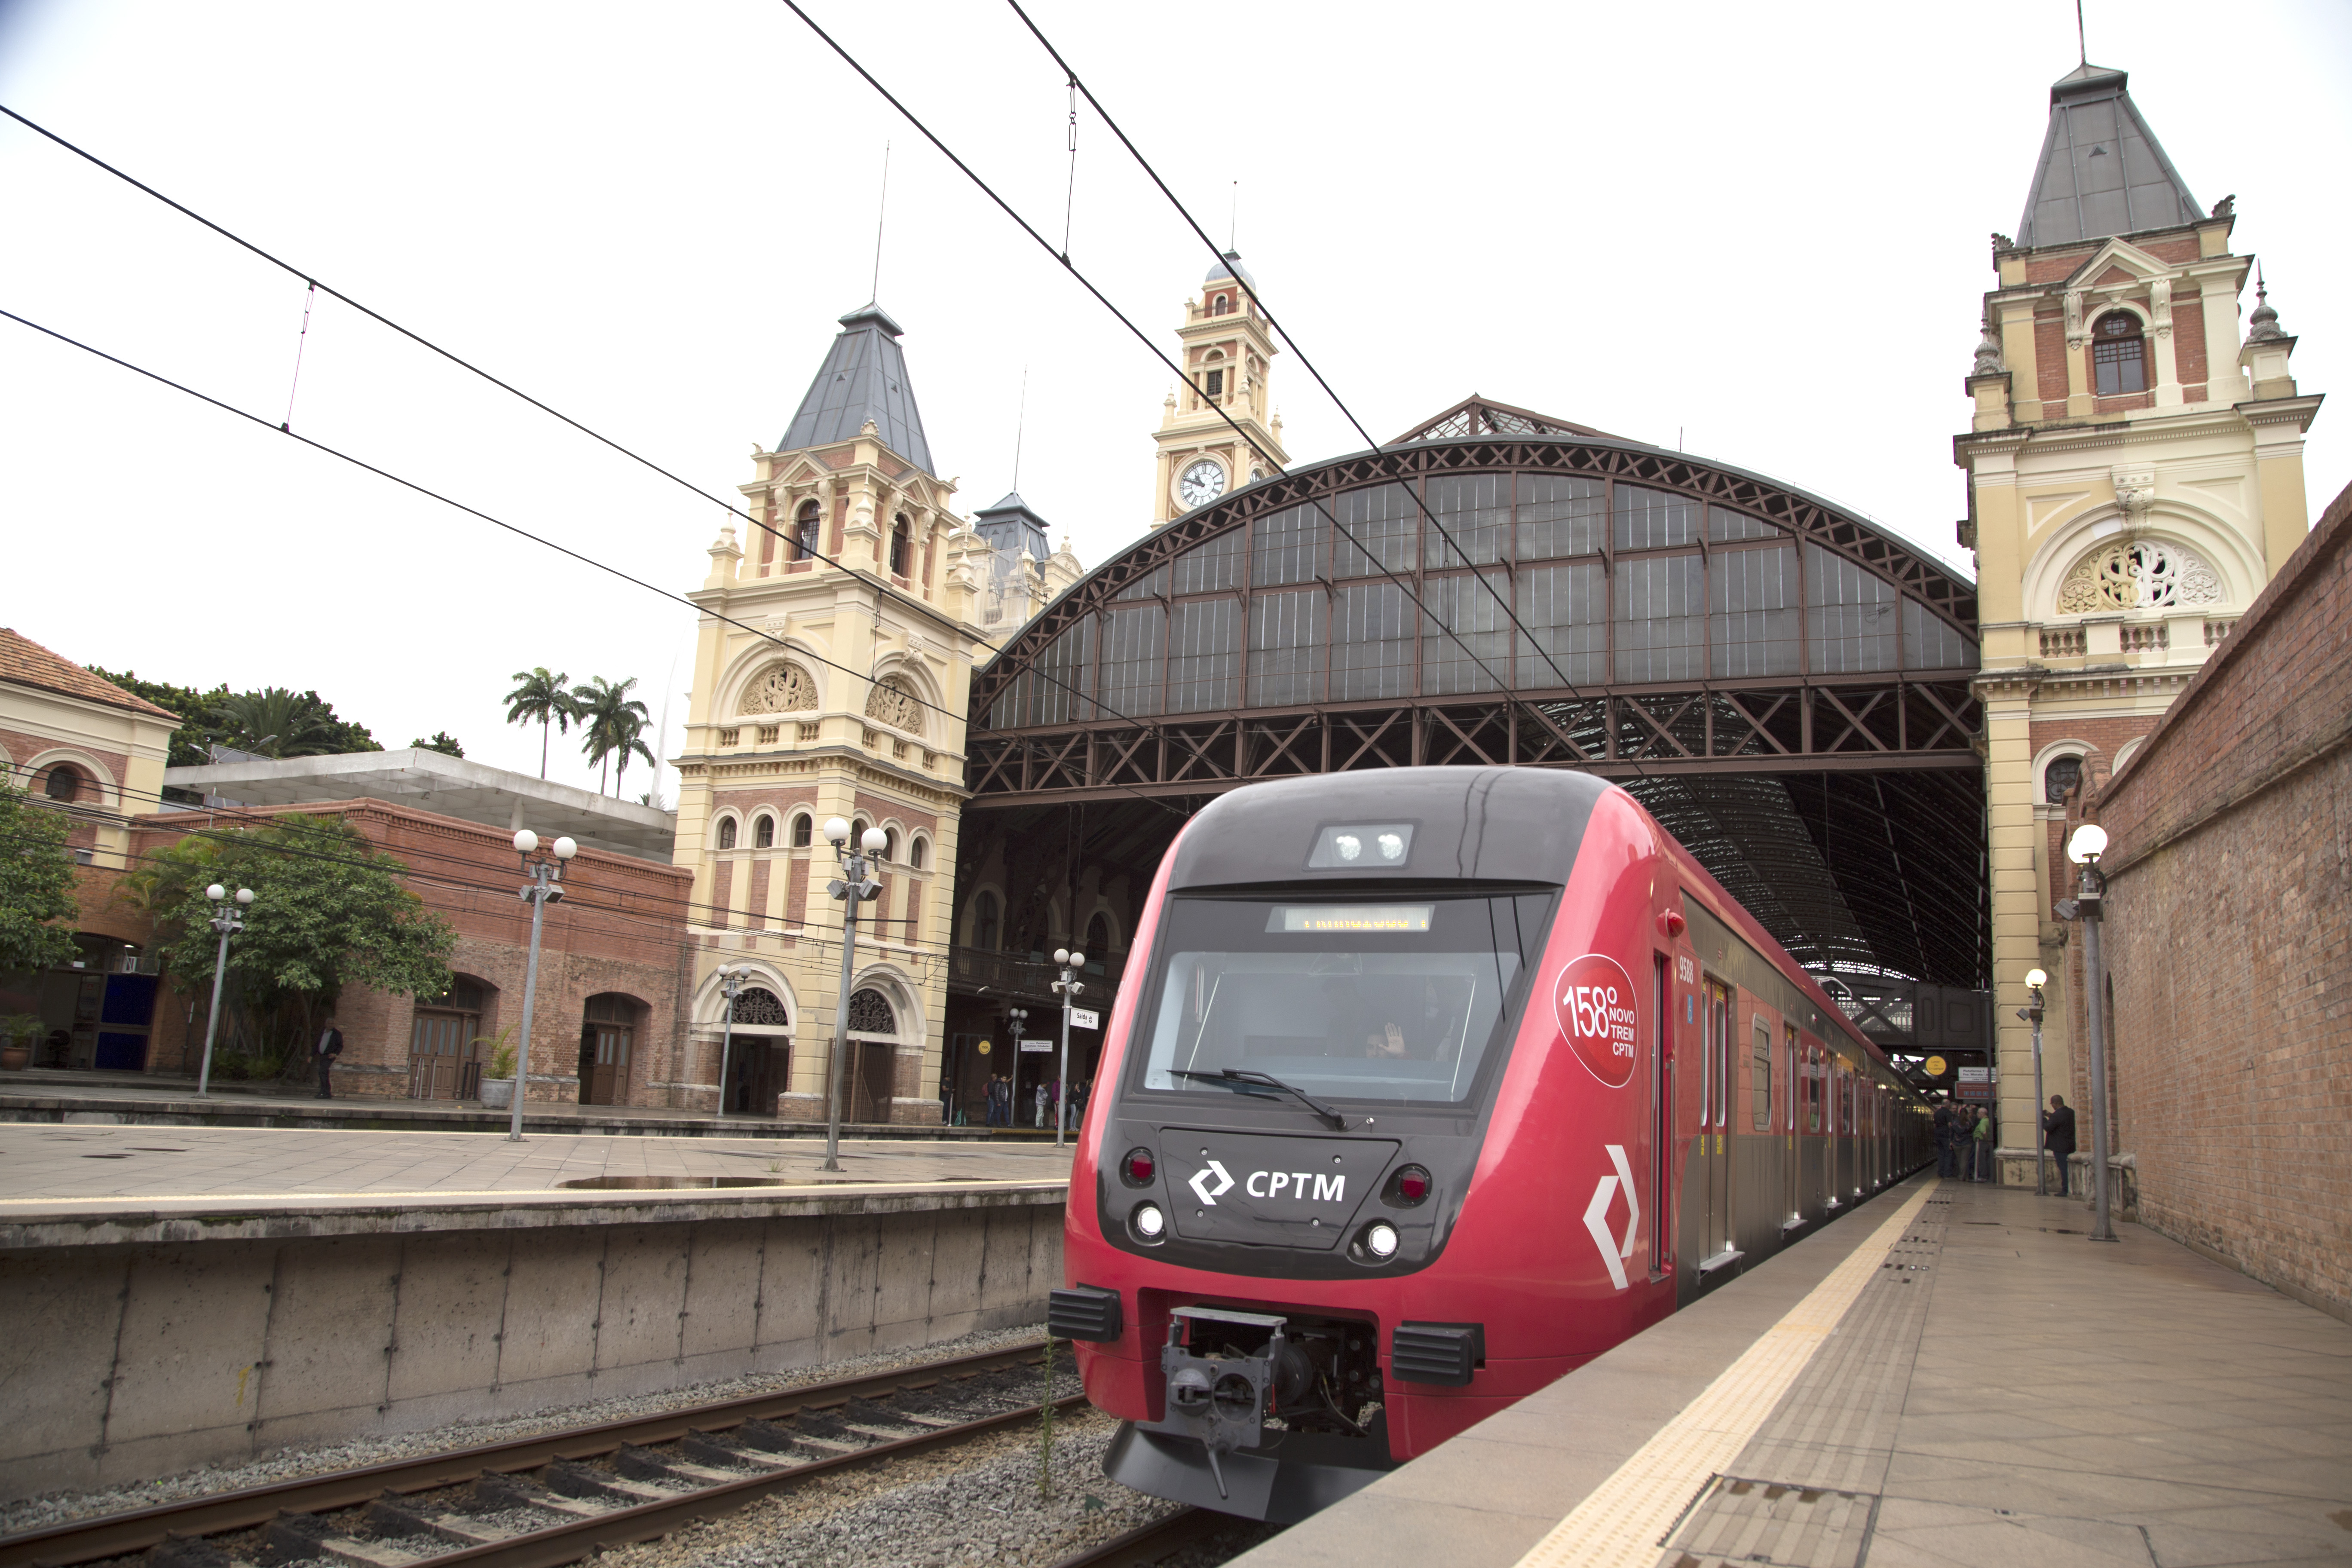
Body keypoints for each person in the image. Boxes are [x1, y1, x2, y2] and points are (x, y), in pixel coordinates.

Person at [2043, 1094, 2077, 1196]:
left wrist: (2044, 1119)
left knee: (2063, 1169)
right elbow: (2061, 1122)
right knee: (2068, 1169)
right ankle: (2070, 1188)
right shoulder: (2070, 1112)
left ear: (2055, 1104)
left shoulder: (2057, 1115)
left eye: (2052, 1104)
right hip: (2071, 1145)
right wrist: (2050, 1115)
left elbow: (2049, 1128)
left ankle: (2065, 1190)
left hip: (2060, 1147)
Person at [313, 1014, 345, 1099]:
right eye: (329, 1023)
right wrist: (311, 1055)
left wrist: (335, 1054)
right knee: (324, 1073)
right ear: (326, 1024)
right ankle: (327, 1092)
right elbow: (317, 1044)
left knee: (322, 1071)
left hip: (330, 1056)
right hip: (322, 1055)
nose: (331, 1025)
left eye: (332, 1024)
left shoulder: (337, 1034)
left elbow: (340, 1046)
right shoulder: (322, 1032)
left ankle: (324, 1092)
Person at [1932, 1099, 1957, 1178]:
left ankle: (1940, 1173)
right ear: (1948, 1105)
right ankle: (1947, 1174)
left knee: (1941, 1154)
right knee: (1948, 1154)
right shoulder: (1948, 1113)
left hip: (1937, 1134)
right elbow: (1950, 1125)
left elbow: (1935, 1124)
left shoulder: (1936, 1113)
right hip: (1945, 1135)